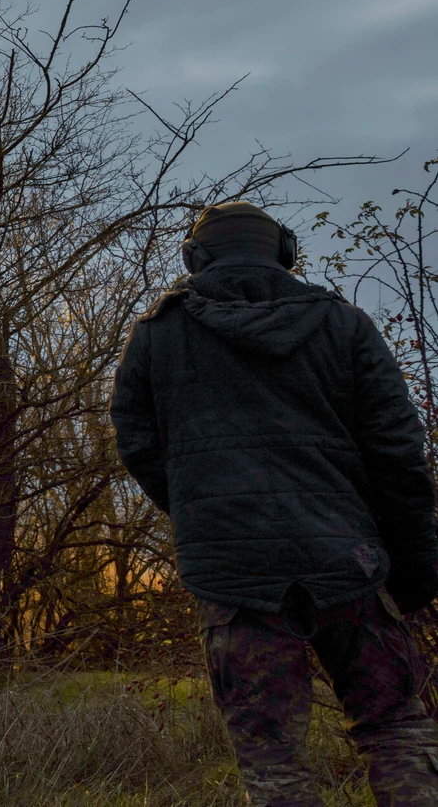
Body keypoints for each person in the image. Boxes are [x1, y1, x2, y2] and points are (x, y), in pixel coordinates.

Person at [112, 200, 438, 807]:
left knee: (271, 759)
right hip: (352, 562)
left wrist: (204, 513)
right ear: (284, 254)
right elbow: (399, 451)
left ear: (196, 257)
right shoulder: (345, 325)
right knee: (396, 729)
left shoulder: (157, 334)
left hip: (235, 580)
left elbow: (138, 446)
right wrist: (416, 567)